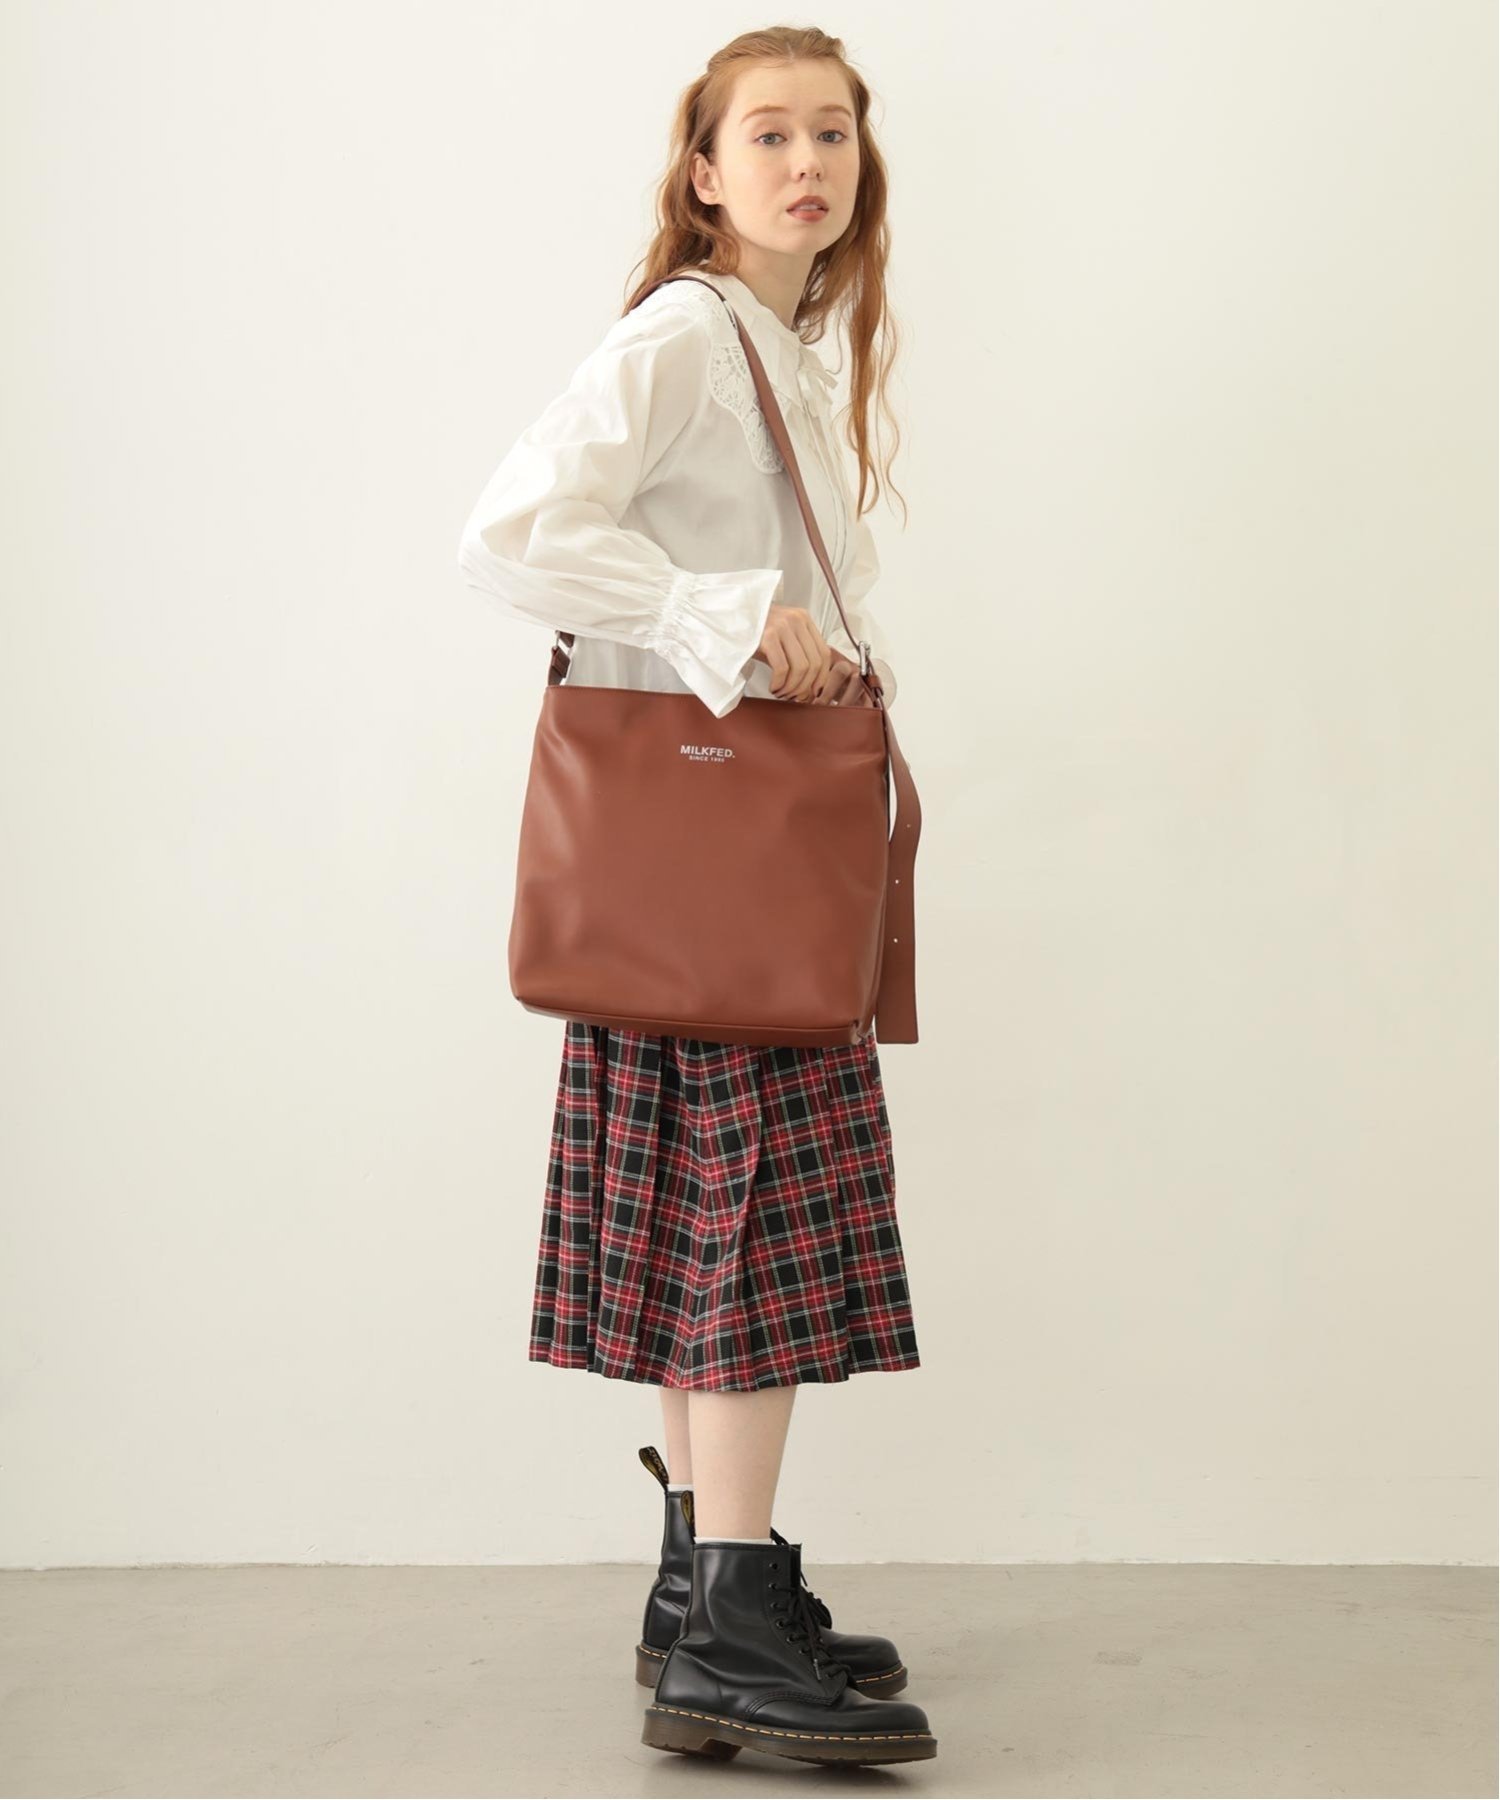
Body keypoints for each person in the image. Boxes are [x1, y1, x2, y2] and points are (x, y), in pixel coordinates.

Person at [455, 24, 936, 1769]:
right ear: (707, 173)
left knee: (702, 1225)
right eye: (771, 136)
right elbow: (512, 533)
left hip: (718, 872)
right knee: (742, 1234)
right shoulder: (686, 337)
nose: (808, 163)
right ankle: (729, 1615)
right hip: (724, 880)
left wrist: (768, 626)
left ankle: (698, 1586)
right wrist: (727, 617)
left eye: (834, 135)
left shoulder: (776, 349)